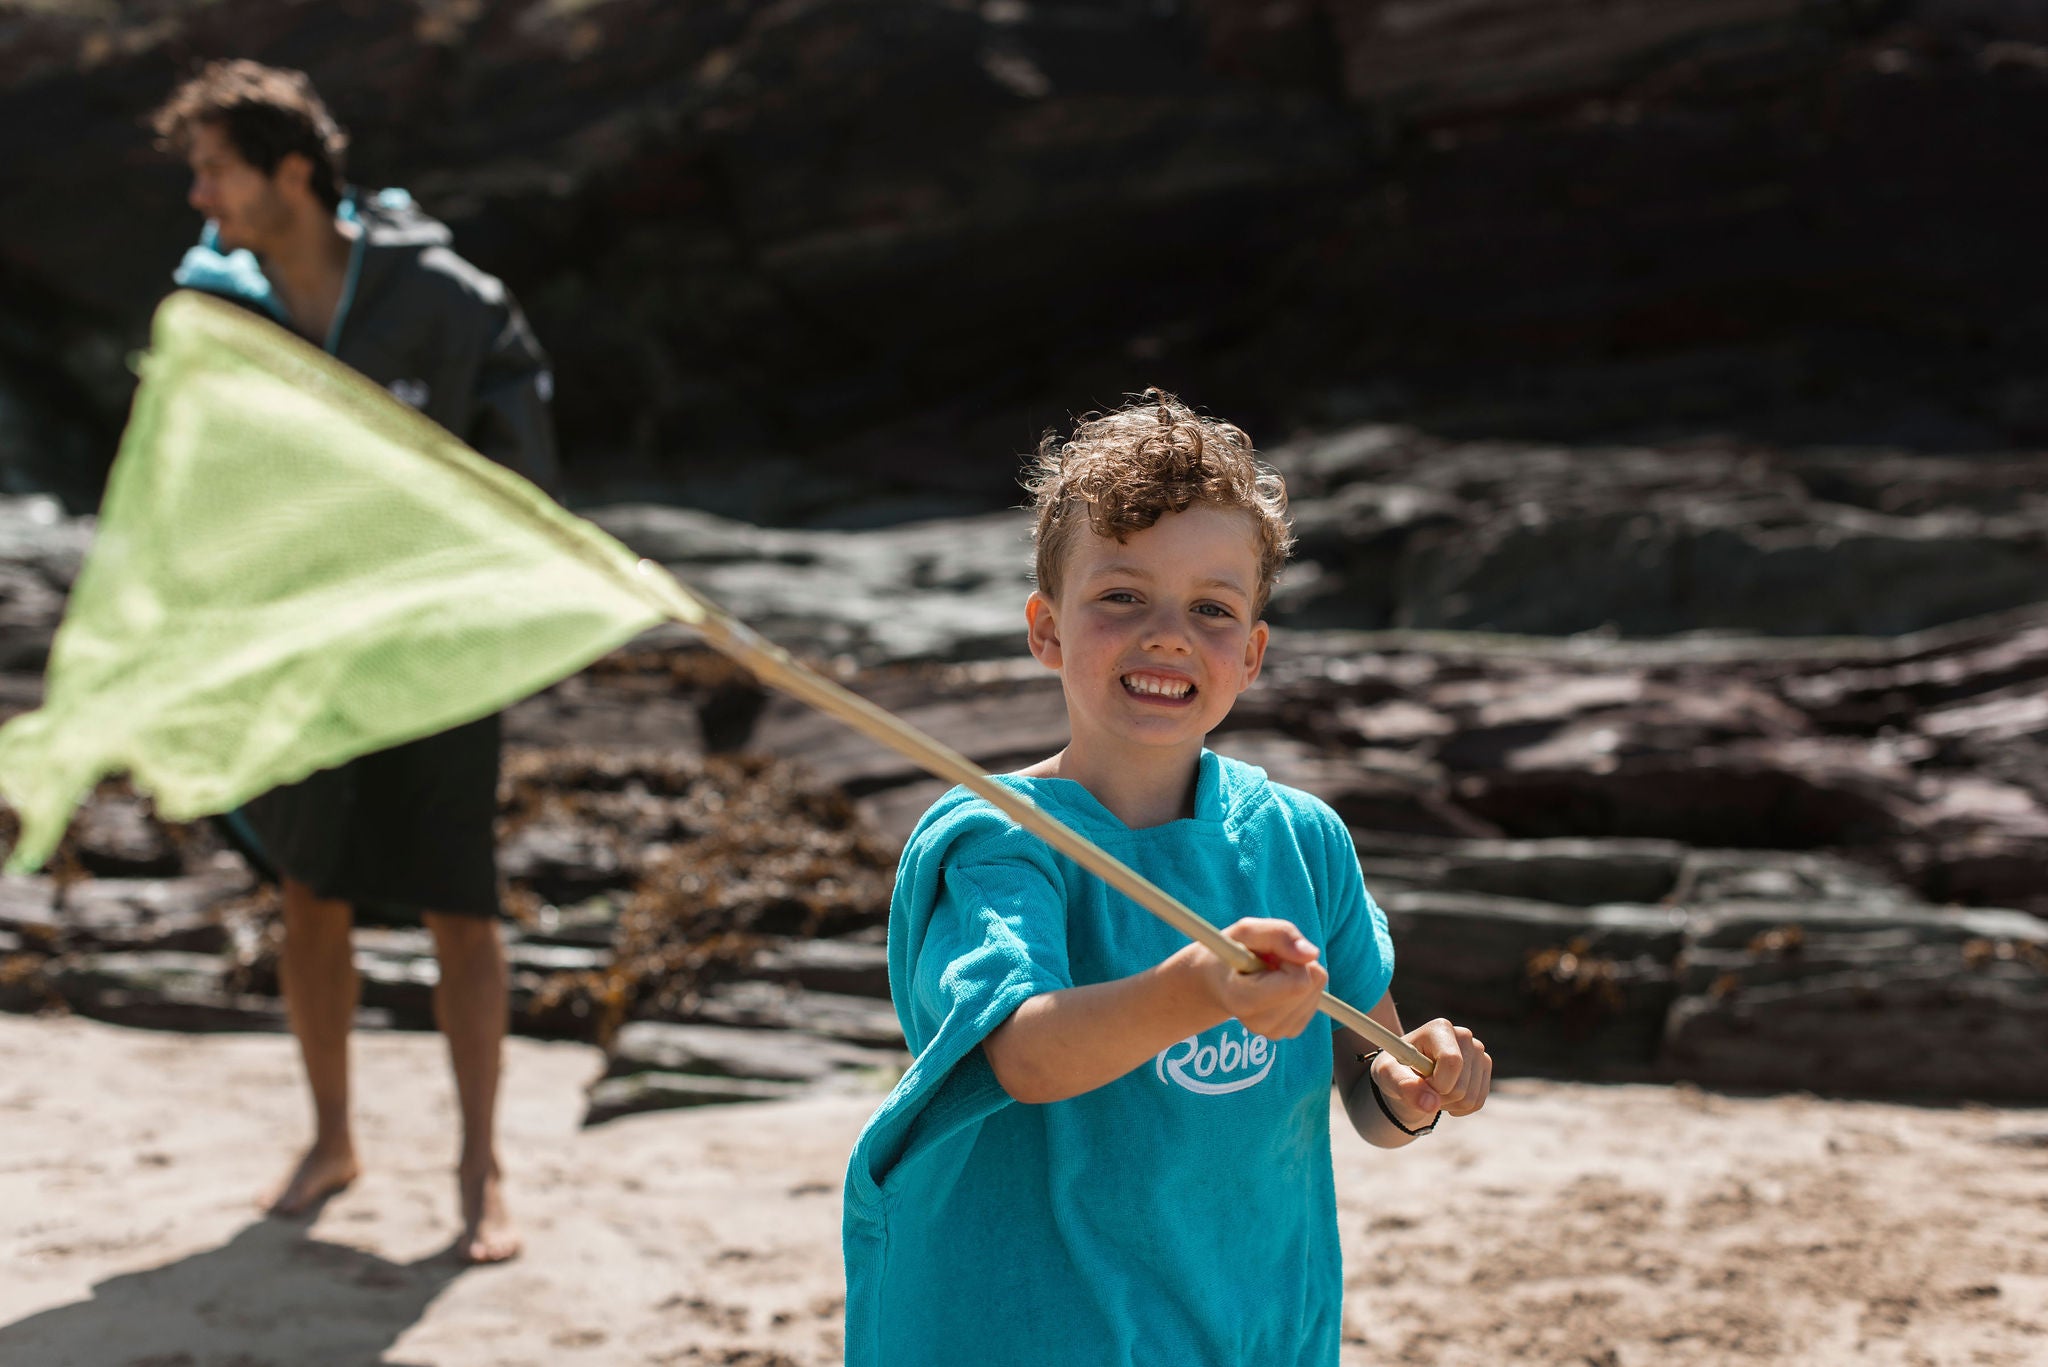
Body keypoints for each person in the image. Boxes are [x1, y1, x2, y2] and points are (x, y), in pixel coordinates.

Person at [842, 391, 1492, 1364]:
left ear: (1253, 652)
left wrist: (1415, 1084)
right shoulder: (997, 840)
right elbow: (1023, 1054)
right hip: (1024, 1327)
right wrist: (1196, 989)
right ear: (1045, 627)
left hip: (1245, 1320)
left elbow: (1367, 1082)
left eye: (1211, 608)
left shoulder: (1300, 840)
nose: (1167, 633)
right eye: (1120, 595)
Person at [149, 59, 559, 1264]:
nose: (198, 196)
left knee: (458, 903)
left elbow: (521, 468)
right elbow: (192, 486)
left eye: (213, 168)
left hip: (436, 652)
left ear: (292, 171)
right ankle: (332, 1138)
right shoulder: (218, 304)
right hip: (297, 652)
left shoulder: (443, 296)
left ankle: (482, 1170)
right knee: (310, 894)